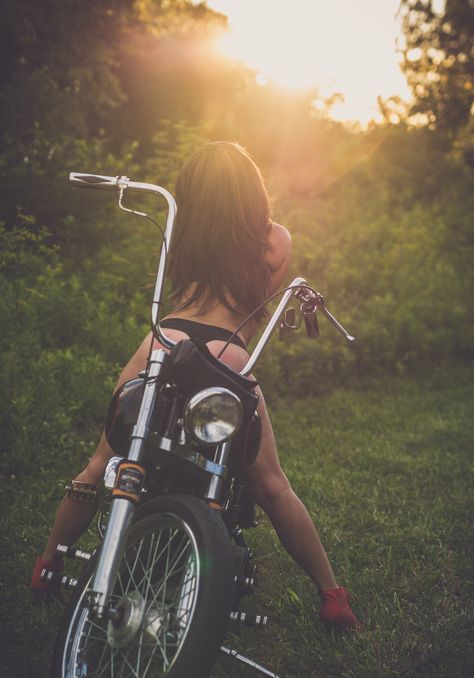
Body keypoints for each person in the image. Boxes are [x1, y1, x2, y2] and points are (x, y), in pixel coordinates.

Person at [31, 141, 360, 631]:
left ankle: (47, 566)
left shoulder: (181, 234)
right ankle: (333, 597)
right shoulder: (274, 242)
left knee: (103, 463)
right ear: (253, 191)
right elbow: (260, 298)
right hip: (227, 352)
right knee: (270, 484)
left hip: (165, 340)